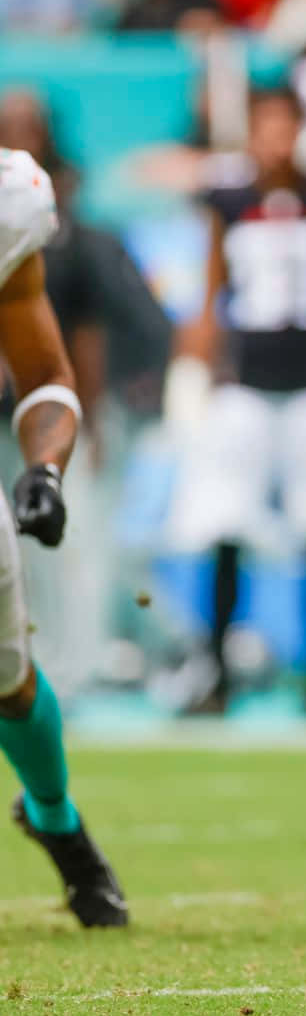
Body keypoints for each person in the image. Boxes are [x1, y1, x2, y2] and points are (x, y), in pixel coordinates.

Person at [165, 87, 306, 714]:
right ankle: (219, 669)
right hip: (248, 381)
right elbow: (209, 298)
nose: (276, 139)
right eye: (265, 126)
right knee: (227, 520)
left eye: (285, 125)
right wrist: (195, 371)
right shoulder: (227, 202)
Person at [0, 147, 126, 926]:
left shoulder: (7, 203)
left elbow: (45, 370)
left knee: (9, 683)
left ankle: (55, 819)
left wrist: (44, 469)